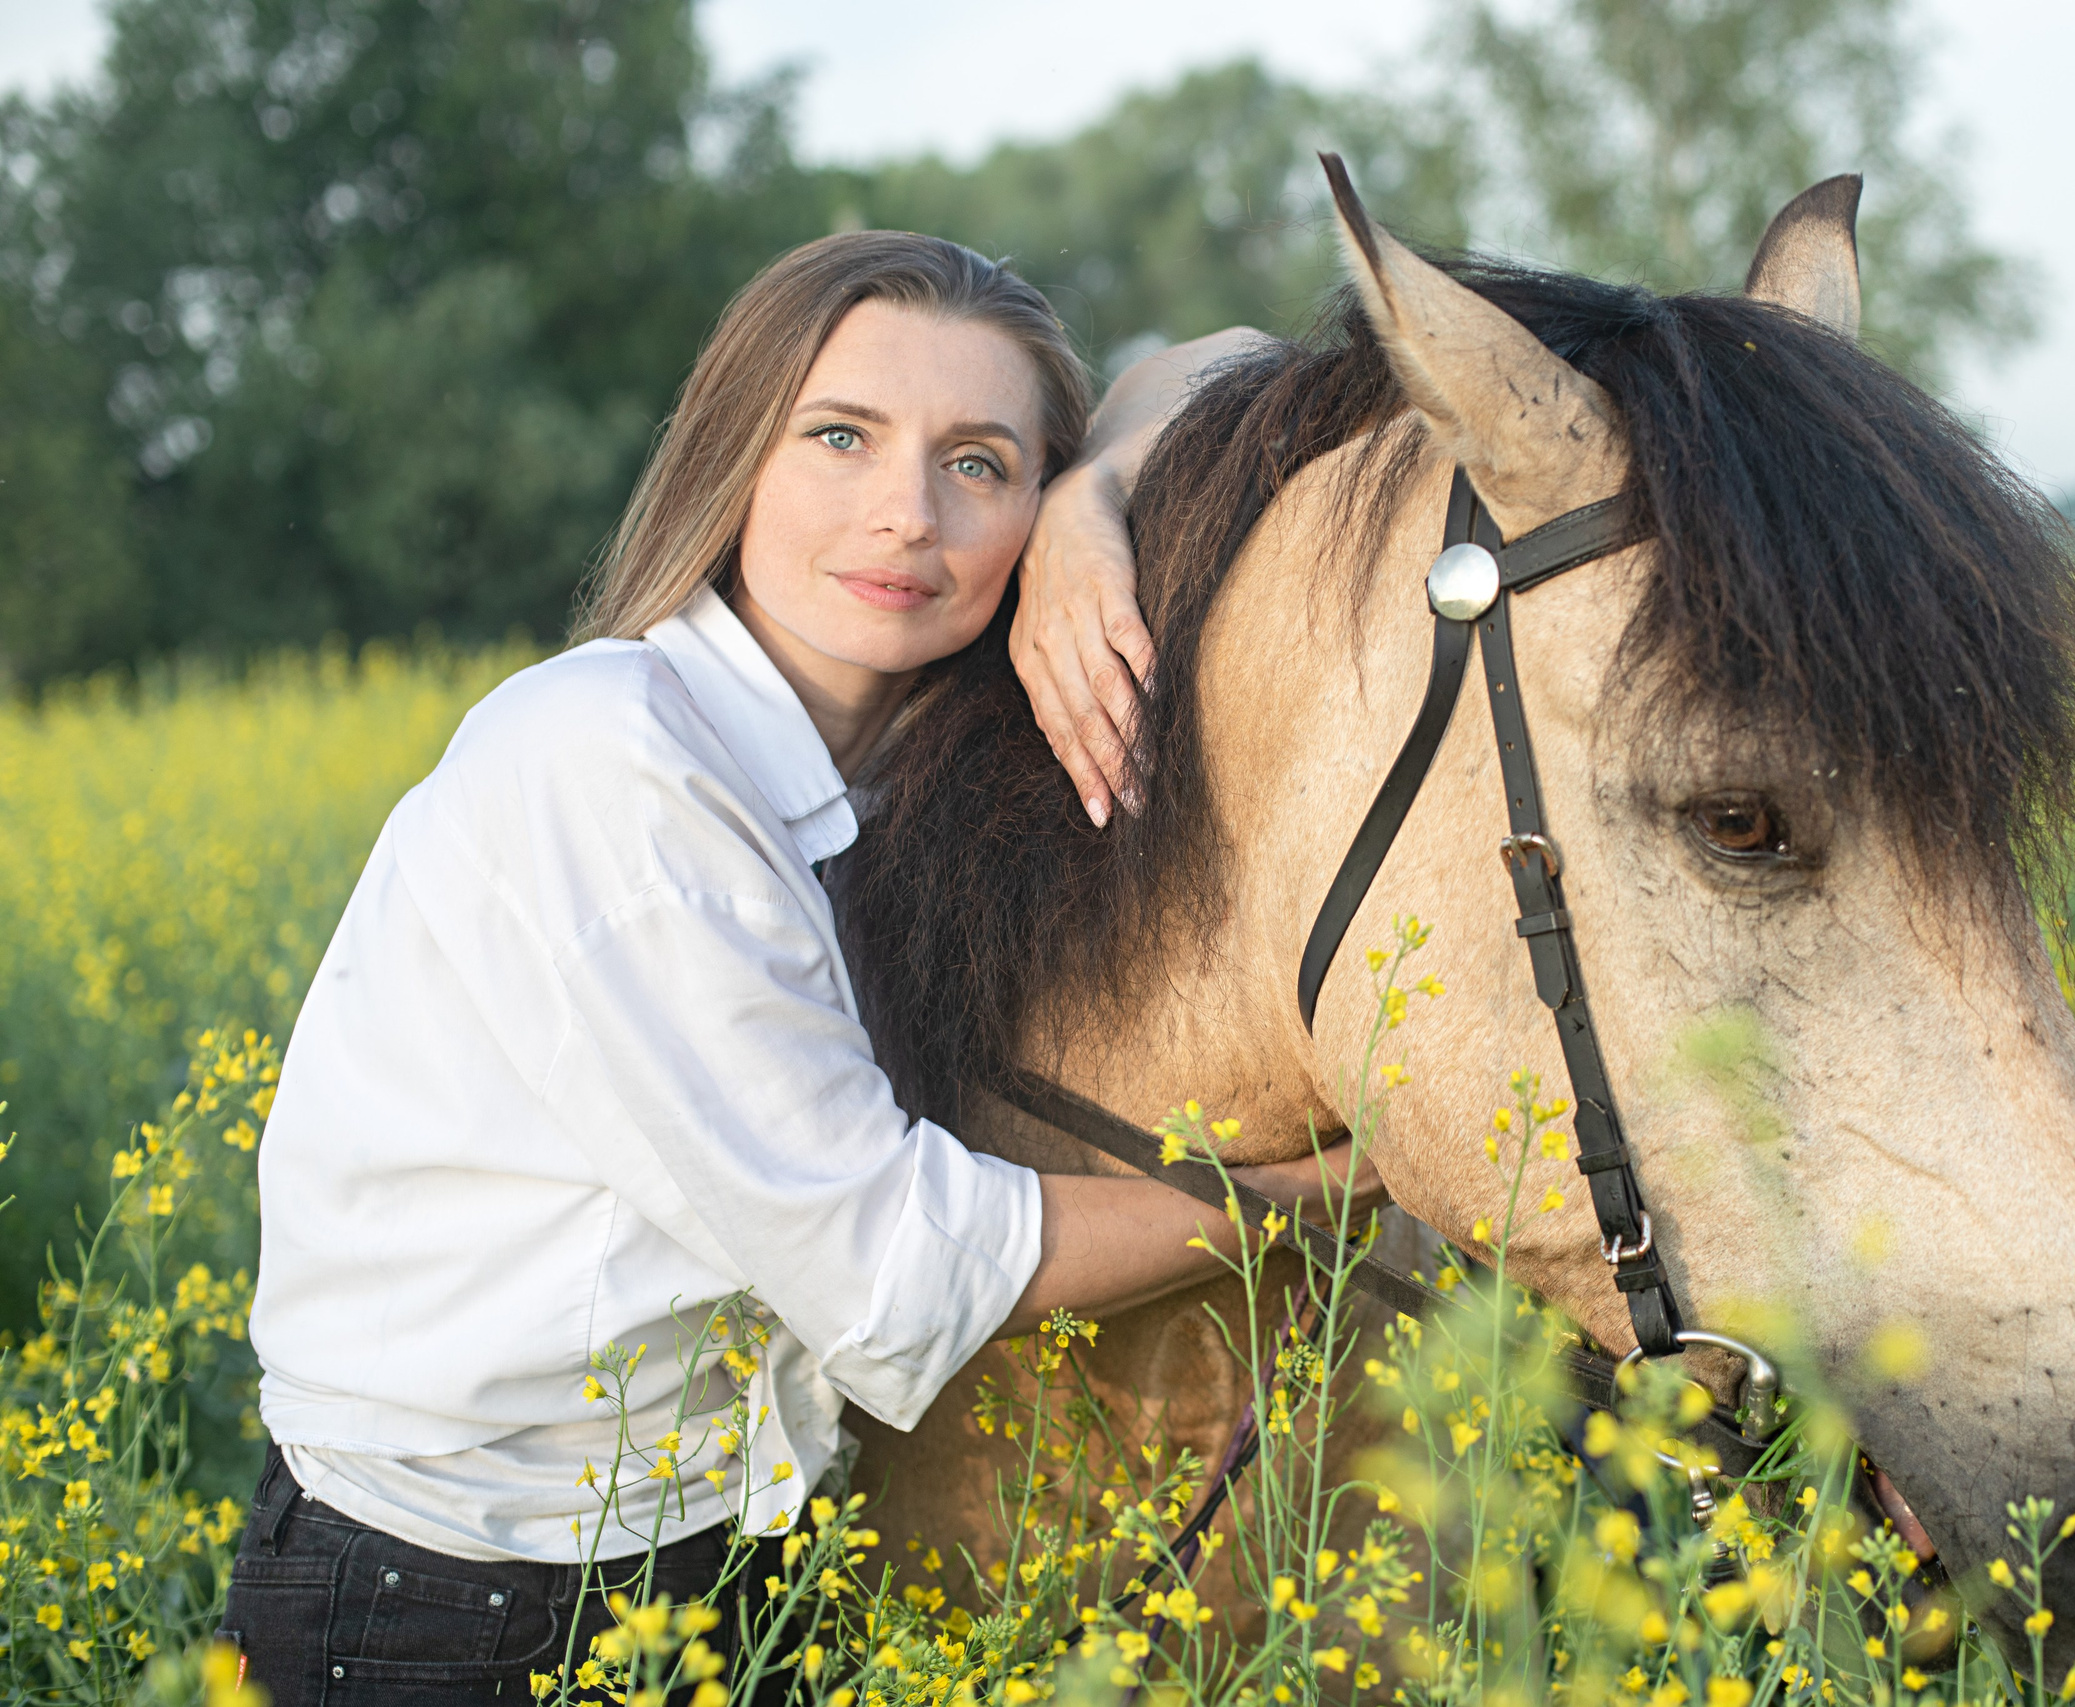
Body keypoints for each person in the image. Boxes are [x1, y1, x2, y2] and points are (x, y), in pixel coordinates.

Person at [220, 231, 1369, 1704]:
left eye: (978, 464)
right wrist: (1315, 1195)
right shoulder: (613, 759)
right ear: (734, 461)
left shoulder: (880, 787)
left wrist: (1096, 497)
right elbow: (893, 1265)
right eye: (841, 437)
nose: (907, 517)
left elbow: (1216, 355)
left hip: (719, 1566)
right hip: (451, 1613)